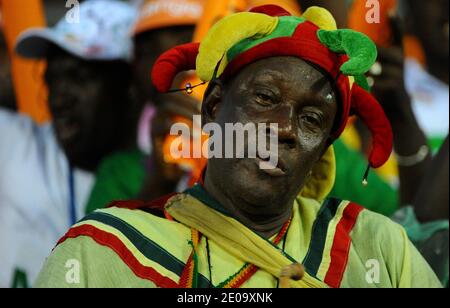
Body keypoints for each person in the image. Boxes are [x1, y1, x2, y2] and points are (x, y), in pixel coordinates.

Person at [35, 5, 441, 288]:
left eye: (312, 119)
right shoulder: (100, 252)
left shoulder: (378, 248)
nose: (283, 128)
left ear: (322, 152)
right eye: (264, 98)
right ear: (212, 108)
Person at [0, 0, 136, 288]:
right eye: (53, 79)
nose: (59, 99)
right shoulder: (18, 145)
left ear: (130, 84)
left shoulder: (170, 176)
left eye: (80, 77)